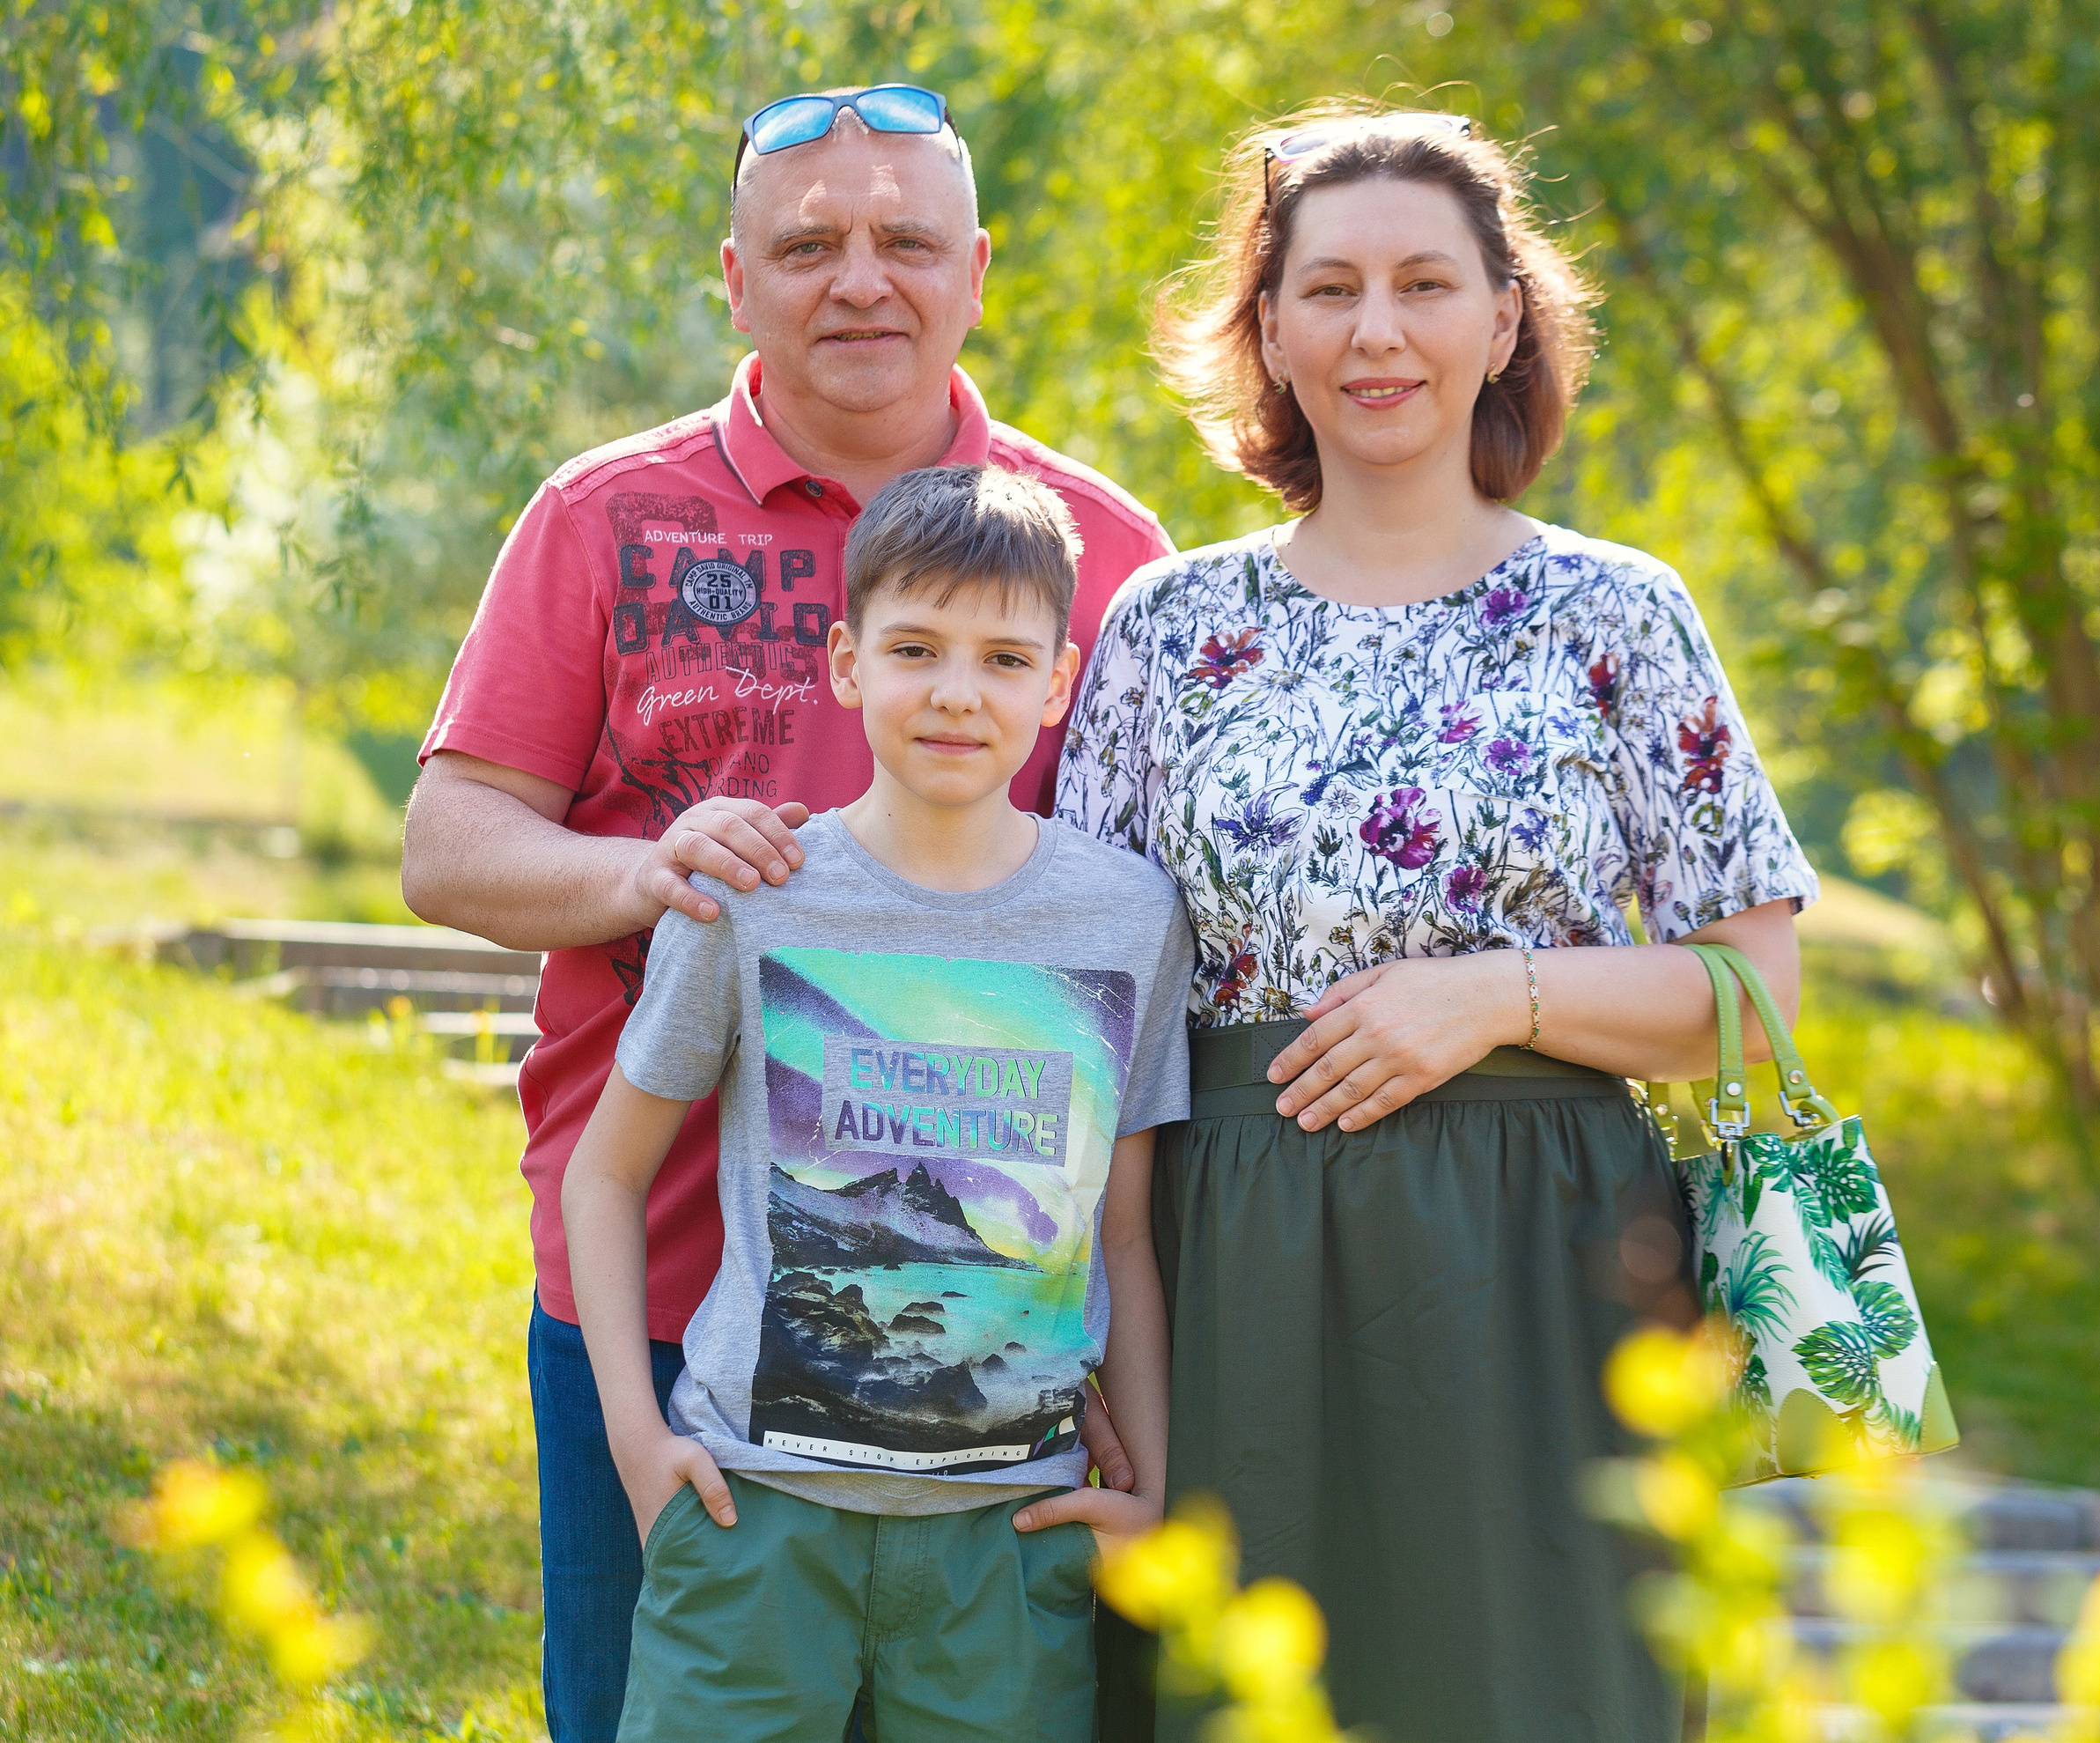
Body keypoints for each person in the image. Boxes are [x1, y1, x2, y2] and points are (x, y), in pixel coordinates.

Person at [400, 86, 1170, 1743]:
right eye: (808, 246)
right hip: (672, 1296)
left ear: (978, 269)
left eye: (904, 241)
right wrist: (652, 872)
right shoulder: (604, 517)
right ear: (735, 280)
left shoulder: (1110, 557)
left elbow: (1151, 935)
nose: (861, 282)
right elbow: (447, 845)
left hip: (990, 1336)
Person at [1056, 102, 1823, 1741]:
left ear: (1503, 319)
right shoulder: (1165, 628)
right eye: (1327, 290)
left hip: (1548, 1259)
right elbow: (1085, 1021)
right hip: (1230, 1259)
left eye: (1424, 283)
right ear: (1268, 332)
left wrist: (1496, 999)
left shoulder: (1617, 611)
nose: (1377, 331)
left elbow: (1757, 987)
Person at [561, 464, 1188, 1741]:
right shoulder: (757, 891)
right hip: (757, 1514)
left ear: (1060, 684)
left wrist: (1156, 1489)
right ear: (848, 663)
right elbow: (605, 1175)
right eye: (917, 649)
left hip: (1007, 1535)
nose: (959, 693)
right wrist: (636, 1438)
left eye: (1006, 660)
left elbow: (1123, 1230)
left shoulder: (1128, 918)